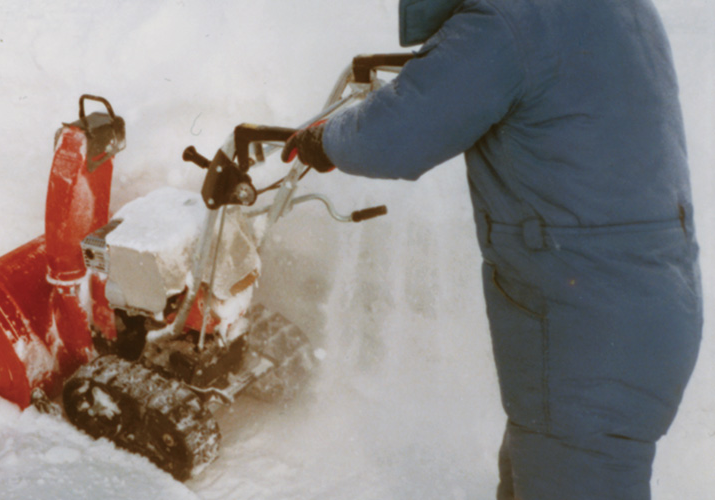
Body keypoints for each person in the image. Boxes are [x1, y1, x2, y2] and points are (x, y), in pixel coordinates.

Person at [282, 0, 702, 498]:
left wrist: (324, 141)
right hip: (652, 302)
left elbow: (394, 136)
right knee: (537, 473)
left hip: (583, 327)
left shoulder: (506, 21)